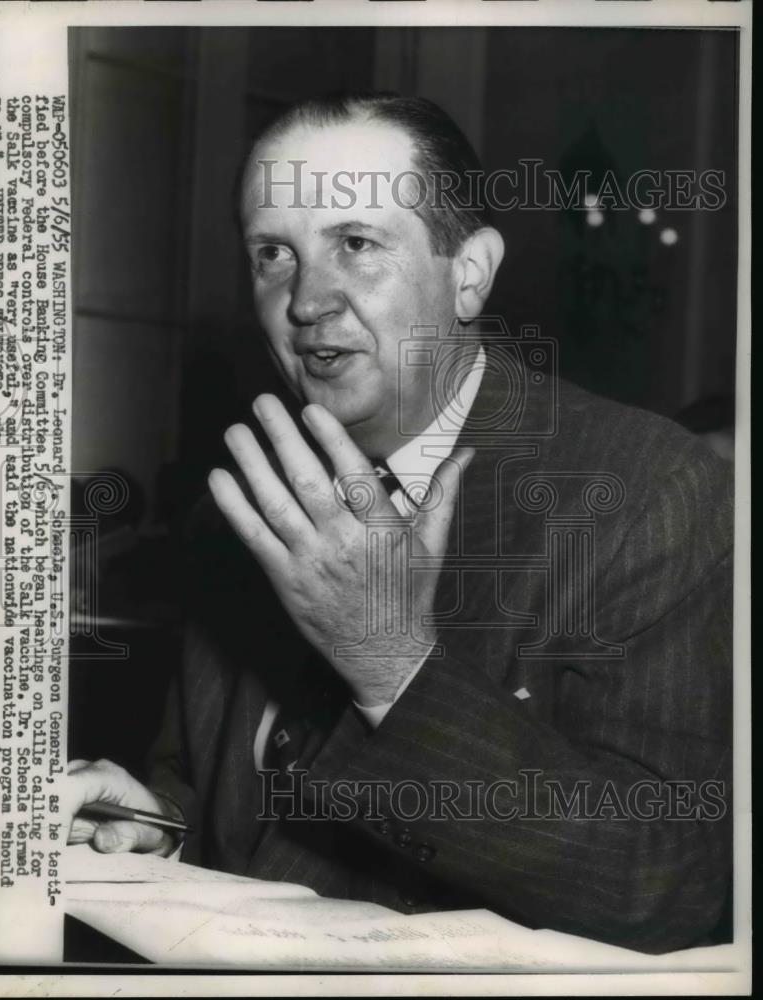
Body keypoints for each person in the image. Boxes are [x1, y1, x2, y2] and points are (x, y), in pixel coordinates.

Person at [66, 93, 733, 955]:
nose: (306, 300)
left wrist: (390, 664)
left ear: (469, 274)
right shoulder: (232, 516)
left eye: (357, 243)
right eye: (274, 252)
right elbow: (216, 800)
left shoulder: (648, 489)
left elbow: (666, 885)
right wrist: (158, 825)